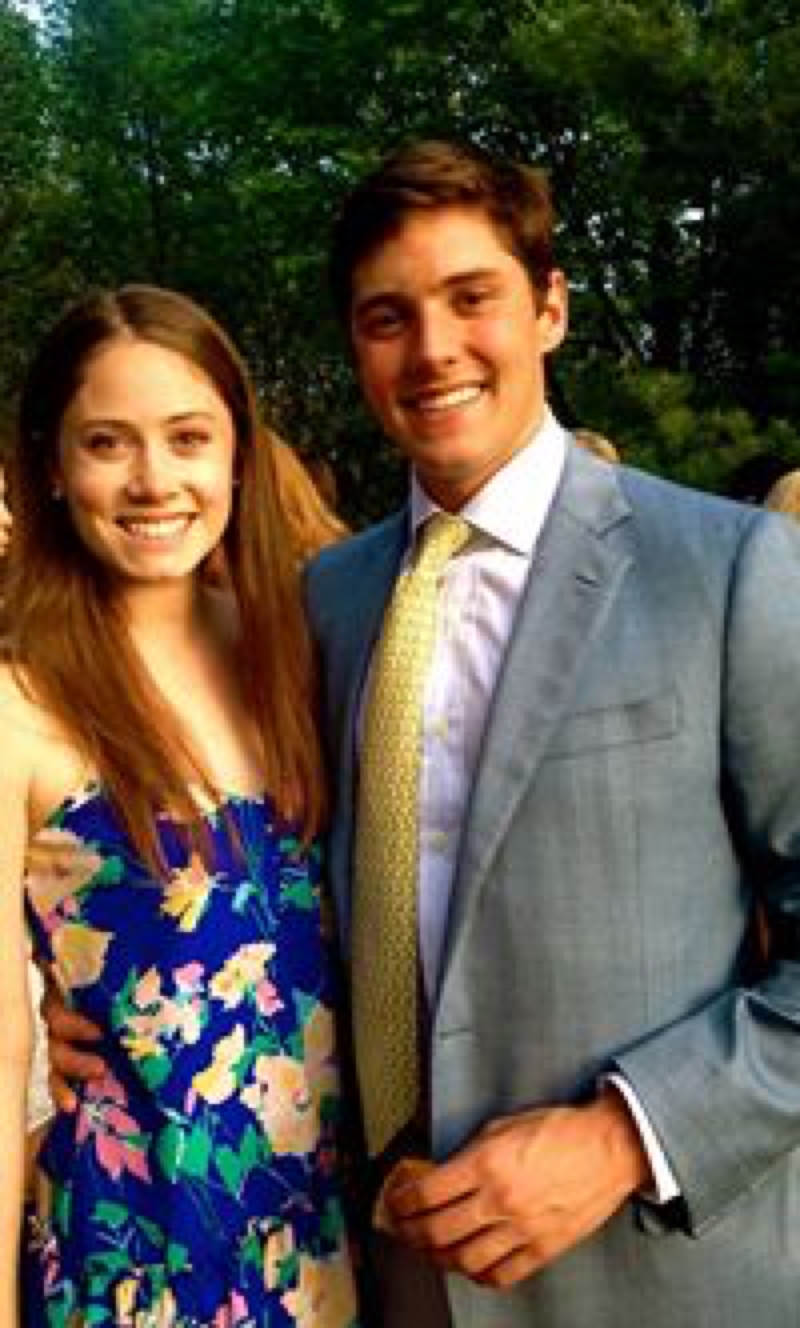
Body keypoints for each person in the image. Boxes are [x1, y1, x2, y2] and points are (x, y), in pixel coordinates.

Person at [46, 142, 800, 1327]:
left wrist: (627, 1131)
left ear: (549, 307)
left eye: (470, 297)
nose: (432, 348)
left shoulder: (725, 568)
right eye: (387, 317)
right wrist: (67, 998)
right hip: (375, 1273)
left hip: (649, 1277)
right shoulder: (323, 604)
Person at [0, 286, 359, 1326]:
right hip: (137, 1262)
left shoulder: (298, 651)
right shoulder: (20, 702)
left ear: (238, 453)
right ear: (52, 465)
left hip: (323, 1250)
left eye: (187, 437)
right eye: (107, 442)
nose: (153, 479)